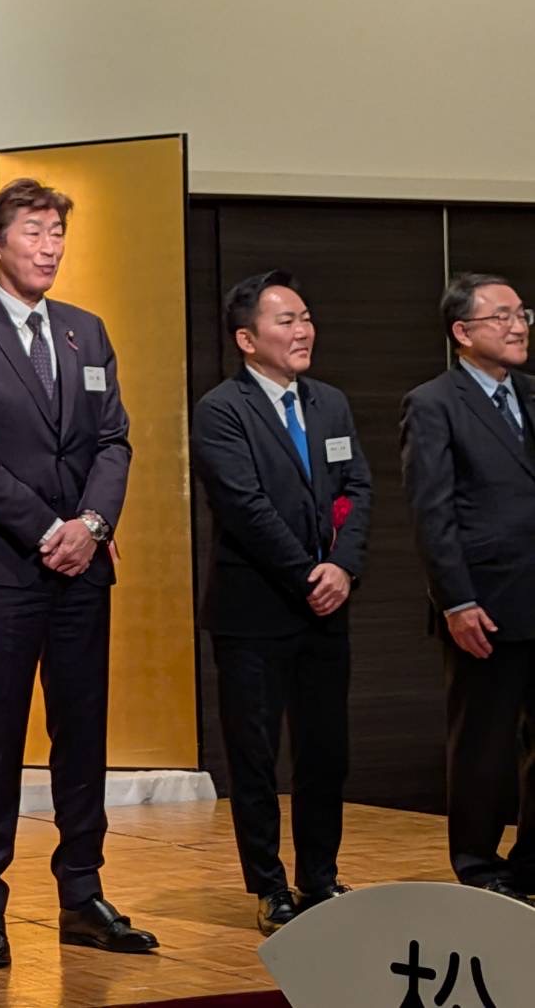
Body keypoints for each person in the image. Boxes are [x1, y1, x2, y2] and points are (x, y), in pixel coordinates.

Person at [0, 177, 156, 966]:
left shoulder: (85, 331)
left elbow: (113, 441)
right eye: (33, 231)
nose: (49, 246)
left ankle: (81, 892)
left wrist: (91, 526)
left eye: (57, 232)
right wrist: (49, 529)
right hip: (1, 566)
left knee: (81, 734)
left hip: (82, 568)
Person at [191, 270, 371, 935]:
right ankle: (268, 885)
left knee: (325, 751)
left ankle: (319, 876)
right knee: (255, 754)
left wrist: (342, 567)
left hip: (327, 607)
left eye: (305, 318)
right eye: (286, 321)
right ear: (247, 339)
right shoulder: (221, 410)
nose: (303, 331)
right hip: (255, 609)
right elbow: (246, 508)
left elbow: (357, 490)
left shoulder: (330, 403)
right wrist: (307, 574)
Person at [402, 273, 535, 904]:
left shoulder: (531, 394)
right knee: (483, 741)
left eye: (522, 314)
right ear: (462, 331)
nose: (518, 326)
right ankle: (479, 864)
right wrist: (455, 600)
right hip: (485, 601)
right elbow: (432, 512)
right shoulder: (434, 403)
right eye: (501, 316)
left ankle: (532, 862)